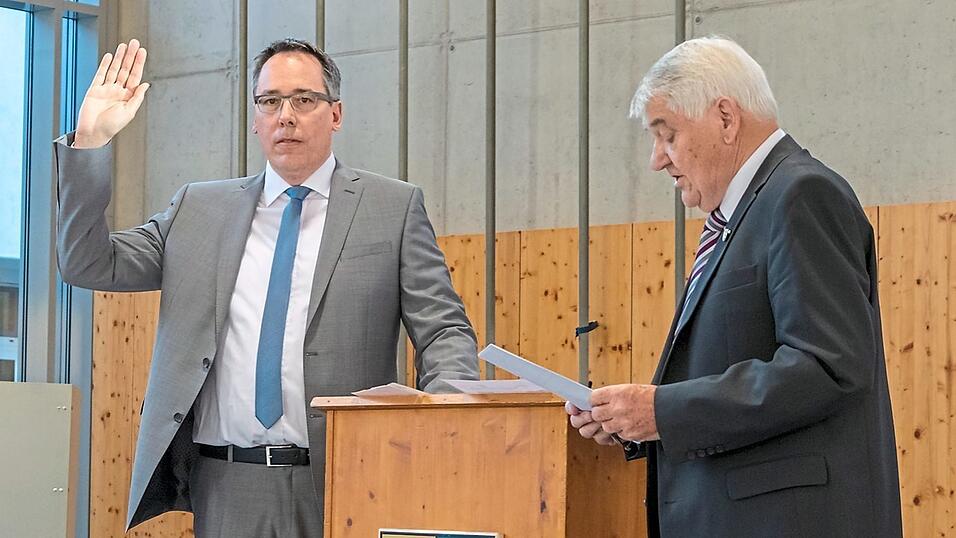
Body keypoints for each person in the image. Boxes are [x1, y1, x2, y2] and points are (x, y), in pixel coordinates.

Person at [55, 38, 479, 536]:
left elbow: (444, 330)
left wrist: (449, 413)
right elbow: (88, 263)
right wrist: (90, 144)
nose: (286, 116)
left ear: (335, 113)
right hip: (226, 481)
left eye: (304, 100)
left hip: (348, 475)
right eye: (270, 101)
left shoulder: (393, 207)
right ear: (256, 118)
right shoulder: (198, 209)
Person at [566, 37, 902, 537]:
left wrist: (662, 410)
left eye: (667, 134)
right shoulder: (746, 214)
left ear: (725, 118)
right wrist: (632, 422)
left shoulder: (800, 195)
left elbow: (826, 367)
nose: (657, 159)